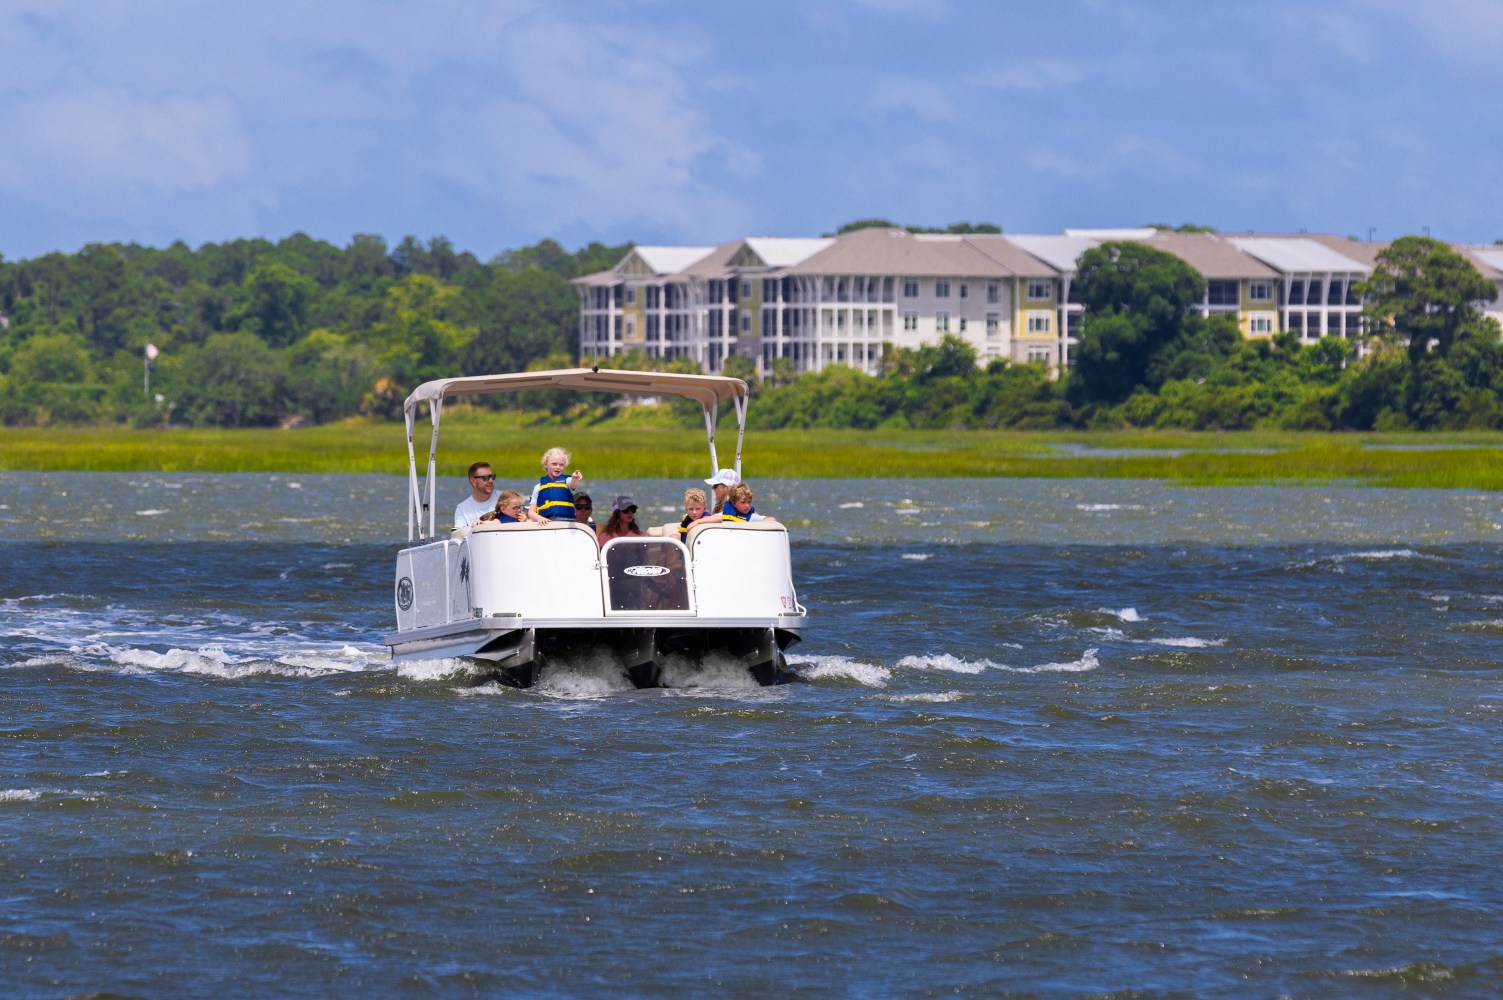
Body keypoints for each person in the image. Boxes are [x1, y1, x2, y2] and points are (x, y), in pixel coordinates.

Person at [530, 446, 583, 522]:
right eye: (554, 464)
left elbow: (573, 484)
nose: (558, 467)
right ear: (546, 465)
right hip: (547, 524)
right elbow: (531, 512)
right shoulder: (538, 487)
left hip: (566, 522)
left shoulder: (567, 481)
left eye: (561, 465)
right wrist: (539, 518)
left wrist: (575, 478)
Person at [453, 461, 498, 528]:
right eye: (486, 478)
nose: (491, 481)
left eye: (492, 476)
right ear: (473, 481)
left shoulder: (506, 499)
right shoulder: (462, 509)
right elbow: (458, 535)